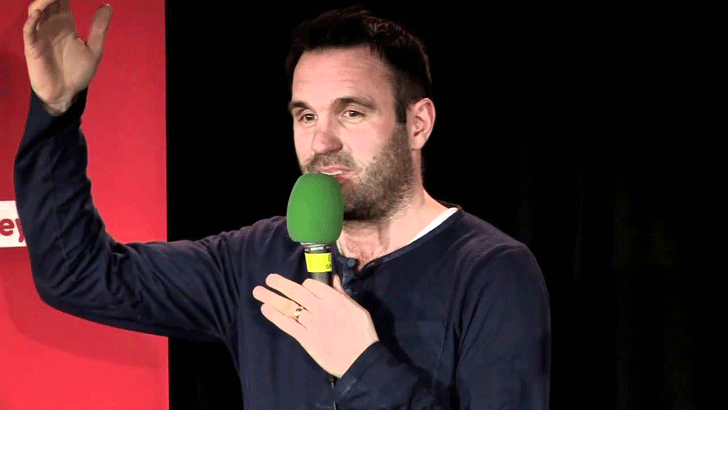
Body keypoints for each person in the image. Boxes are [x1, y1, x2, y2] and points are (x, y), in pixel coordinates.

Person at [15, 1, 551, 409]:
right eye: (306, 115)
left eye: (352, 113)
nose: (322, 141)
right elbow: (77, 275)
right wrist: (57, 113)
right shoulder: (256, 258)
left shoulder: (493, 272)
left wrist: (361, 365)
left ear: (417, 124)